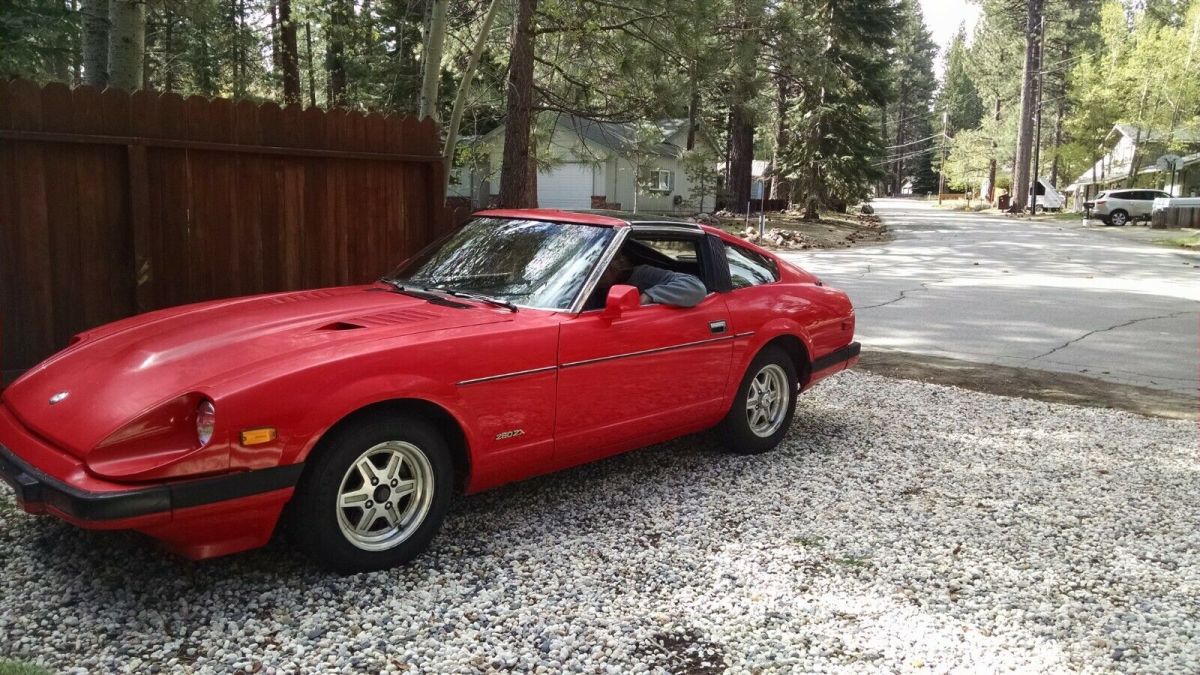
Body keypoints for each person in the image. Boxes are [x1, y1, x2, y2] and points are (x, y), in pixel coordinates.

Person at [591, 250, 707, 309]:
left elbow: (696, 287)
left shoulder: (643, 274)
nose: (599, 273)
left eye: (604, 266)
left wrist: (649, 296)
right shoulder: (587, 285)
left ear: (619, 262)